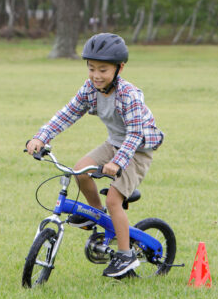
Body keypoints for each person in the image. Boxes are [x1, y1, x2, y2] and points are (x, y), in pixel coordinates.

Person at [26, 33, 164, 277]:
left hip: (138, 149)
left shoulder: (128, 94)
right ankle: (96, 216)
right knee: (81, 169)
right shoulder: (90, 89)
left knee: (114, 200)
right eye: (91, 68)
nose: (96, 75)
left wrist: (116, 164)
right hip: (113, 144)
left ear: (119, 68)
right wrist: (41, 137)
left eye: (103, 69)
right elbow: (67, 114)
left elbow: (134, 135)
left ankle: (125, 255)